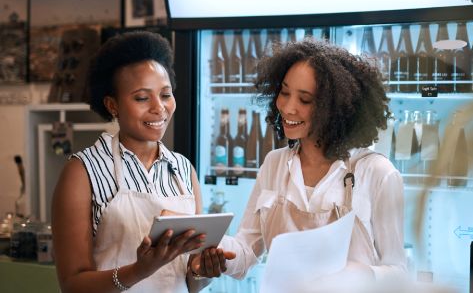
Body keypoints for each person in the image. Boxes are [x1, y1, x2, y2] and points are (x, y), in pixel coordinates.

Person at [204, 38, 407, 288]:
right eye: (285, 92)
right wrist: (211, 245)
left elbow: (398, 272)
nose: (288, 108)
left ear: (334, 108)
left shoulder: (377, 173)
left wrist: (361, 273)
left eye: (305, 100)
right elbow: (246, 252)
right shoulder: (274, 164)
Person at [51, 31, 233, 293]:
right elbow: (72, 285)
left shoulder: (183, 170)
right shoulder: (82, 172)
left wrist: (202, 270)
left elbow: (189, 282)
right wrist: (140, 270)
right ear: (112, 105)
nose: (159, 108)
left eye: (166, 94)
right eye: (141, 98)